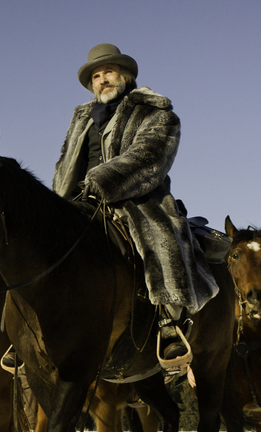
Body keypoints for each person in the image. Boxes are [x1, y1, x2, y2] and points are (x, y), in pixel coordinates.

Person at [52, 43, 219, 376]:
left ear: (125, 75)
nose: (102, 80)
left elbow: (150, 158)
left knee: (162, 236)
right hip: (78, 201)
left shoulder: (157, 113)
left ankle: (170, 324)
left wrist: (101, 182)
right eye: (96, 76)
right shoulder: (82, 120)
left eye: (108, 72)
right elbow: (65, 164)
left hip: (136, 198)